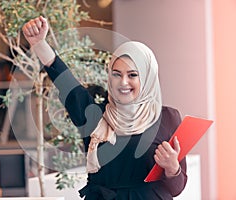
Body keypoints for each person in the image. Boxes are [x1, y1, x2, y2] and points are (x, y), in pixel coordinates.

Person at [22, 16, 187, 200]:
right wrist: (39, 44)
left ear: (148, 77)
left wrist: (173, 168)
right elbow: (67, 84)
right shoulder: (94, 117)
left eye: (132, 75)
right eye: (117, 74)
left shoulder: (168, 118)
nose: (123, 82)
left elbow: (177, 188)